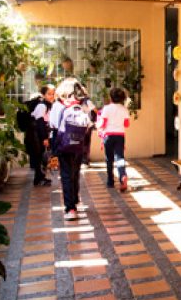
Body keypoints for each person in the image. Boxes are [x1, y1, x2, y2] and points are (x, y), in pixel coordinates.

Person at [49, 78, 92, 220]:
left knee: (66, 175)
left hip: (64, 144)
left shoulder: (58, 105)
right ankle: (74, 199)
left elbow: (53, 125)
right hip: (79, 143)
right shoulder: (83, 104)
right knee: (75, 172)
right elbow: (90, 122)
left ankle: (70, 208)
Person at [98, 87, 130, 191]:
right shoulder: (124, 109)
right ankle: (122, 175)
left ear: (111, 97)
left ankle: (110, 182)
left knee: (109, 159)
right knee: (120, 157)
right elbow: (127, 124)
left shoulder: (106, 108)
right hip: (120, 136)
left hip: (108, 136)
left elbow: (103, 123)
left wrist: (98, 126)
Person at [31, 85, 55, 185]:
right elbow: (40, 122)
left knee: (42, 156)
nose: (51, 96)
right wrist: (44, 138)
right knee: (39, 157)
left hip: (40, 134)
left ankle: (41, 177)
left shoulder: (48, 105)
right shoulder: (42, 106)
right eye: (49, 94)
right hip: (37, 135)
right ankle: (38, 179)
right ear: (43, 95)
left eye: (53, 94)